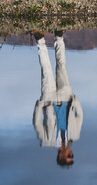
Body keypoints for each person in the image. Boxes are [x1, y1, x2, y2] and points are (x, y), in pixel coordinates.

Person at [32, 30, 84, 167]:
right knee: (61, 65)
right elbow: (80, 117)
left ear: (60, 156)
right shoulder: (75, 135)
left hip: (48, 100)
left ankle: (40, 40)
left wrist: (39, 105)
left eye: (69, 156)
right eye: (72, 155)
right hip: (67, 97)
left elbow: (37, 123)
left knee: (46, 69)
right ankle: (59, 37)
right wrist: (76, 102)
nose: (71, 153)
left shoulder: (46, 140)